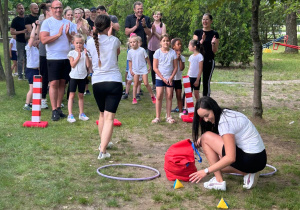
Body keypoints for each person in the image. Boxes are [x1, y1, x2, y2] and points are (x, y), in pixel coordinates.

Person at [189, 96, 267, 191]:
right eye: (202, 118)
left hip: (251, 160)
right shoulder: (227, 114)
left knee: (207, 140)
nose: (205, 120)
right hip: (259, 159)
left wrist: (205, 171)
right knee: (217, 164)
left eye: (207, 115)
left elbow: (230, 157)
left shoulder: (224, 122)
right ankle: (248, 173)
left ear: (213, 109)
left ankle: (219, 181)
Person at [86, 15, 123, 160]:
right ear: (109, 27)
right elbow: (117, 53)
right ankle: (103, 150)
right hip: (113, 82)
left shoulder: (90, 42)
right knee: (109, 118)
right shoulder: (114, 40)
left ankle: (103, 143)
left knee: (102, 114)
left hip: (97, 83)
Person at [40, 0, 72, 121]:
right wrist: (58, 35)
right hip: (53, 57)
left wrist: (68, 34)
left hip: (66, 57)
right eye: (56, 8)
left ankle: (58, 108)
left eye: (60, 7)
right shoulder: (47, 23)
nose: (58, 10)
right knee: (53, 83)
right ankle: (54, 109)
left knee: (63, 83)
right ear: (52, 9)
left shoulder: (68, 22)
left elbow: (73, 40)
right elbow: (43, 40)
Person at [152, 34, 177, 124]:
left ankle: (168, 116)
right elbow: (155, 67)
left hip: (169, 78)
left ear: (170, 42)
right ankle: (157, 117)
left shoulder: (173, 53)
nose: (166, 42)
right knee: (159, 96)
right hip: (160, 78)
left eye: (167, 40)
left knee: (169, 95)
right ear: (160, 42)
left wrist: (171, 77)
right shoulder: (157, 52)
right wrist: (162, 78)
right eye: (164, 40)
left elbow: (175, 67)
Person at [193, 13, 219, 97]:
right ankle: (187, 103)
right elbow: (194, 48)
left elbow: (214, 51)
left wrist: (213, 44)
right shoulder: (197, 32)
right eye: (203, 19)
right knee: (194, 80)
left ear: (211, 21)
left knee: (206, 82)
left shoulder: (214, 34)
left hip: (209, 60)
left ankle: (206, 101)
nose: (205, 21)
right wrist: (201, 41)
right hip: (197, 61)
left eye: (207, 19)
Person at [67, 34, 91, 123]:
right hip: (73, 77)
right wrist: (78, 57)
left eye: (80, 43)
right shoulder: (72, 53)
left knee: (81, 95)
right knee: (71, 95)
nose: (78, 45)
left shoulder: (86, 53)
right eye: (77, 43)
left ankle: (81, 114)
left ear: (83, 43)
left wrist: (86, 56)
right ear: (73, 43)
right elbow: (72, 65)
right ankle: (70, 114)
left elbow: (88, 65)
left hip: (82, 76)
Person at [127, 35, 156, 104]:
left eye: (134, 42)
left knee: (146, 83)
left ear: (137, 42)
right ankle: (134, 98)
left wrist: (149, 66)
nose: (132, 43)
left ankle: (152, 96)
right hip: (135, 70)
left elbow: (147, 58)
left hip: (143, 69)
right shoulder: (130, 52)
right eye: (131, 42)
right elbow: (130, 61)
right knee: (135, 84)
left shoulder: (142, 50)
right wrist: (130, 70)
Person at [148, 11, 166, 90]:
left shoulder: (163, 25)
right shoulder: (150, 25)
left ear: (161, 16)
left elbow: (163, 39)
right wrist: (152, 32)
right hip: (150, 48)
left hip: (159, 49)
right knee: (152, 66)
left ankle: (162, 81)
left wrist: (154, 32)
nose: (156, 15)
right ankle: (154, 83)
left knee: (160, 66)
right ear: (152, 16)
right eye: (155, 14)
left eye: (158, 14)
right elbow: (147, 38)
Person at [23, 23, 40, 111]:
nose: (37, 41)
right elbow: (33, 36)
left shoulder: (36, 49)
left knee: (36, 88)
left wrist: (38, 26)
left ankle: (32, 103)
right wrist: (33, 27)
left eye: (37, 40)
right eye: (35, 40)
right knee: (32, 88)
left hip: (36, 70)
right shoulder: (28, 48)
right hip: (30, 70)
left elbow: (36, 35)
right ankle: (26, 104)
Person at [10, 3, 28, 80]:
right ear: (17, 10)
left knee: (27, 58)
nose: (21, 10)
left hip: (28, 41)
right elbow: (12, 32)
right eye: (19, 8)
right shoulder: (15, 20)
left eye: (22, 8)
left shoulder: (27, 18)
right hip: (20, 41)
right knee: (20, 59)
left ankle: (26, 75)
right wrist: (22, 31)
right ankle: (20, 75)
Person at [171, 38, 185, 117]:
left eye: (180, 44)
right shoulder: (171, 55)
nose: (180, 46)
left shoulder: (182, 57)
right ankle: (168, 112)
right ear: (173, 46)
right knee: (170, 96)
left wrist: (179, 59)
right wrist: (176, 58)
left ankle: (180, 112)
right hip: (171, 79)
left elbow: (182, 68)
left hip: (178, 79)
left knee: (179, 96)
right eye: (178, 44)